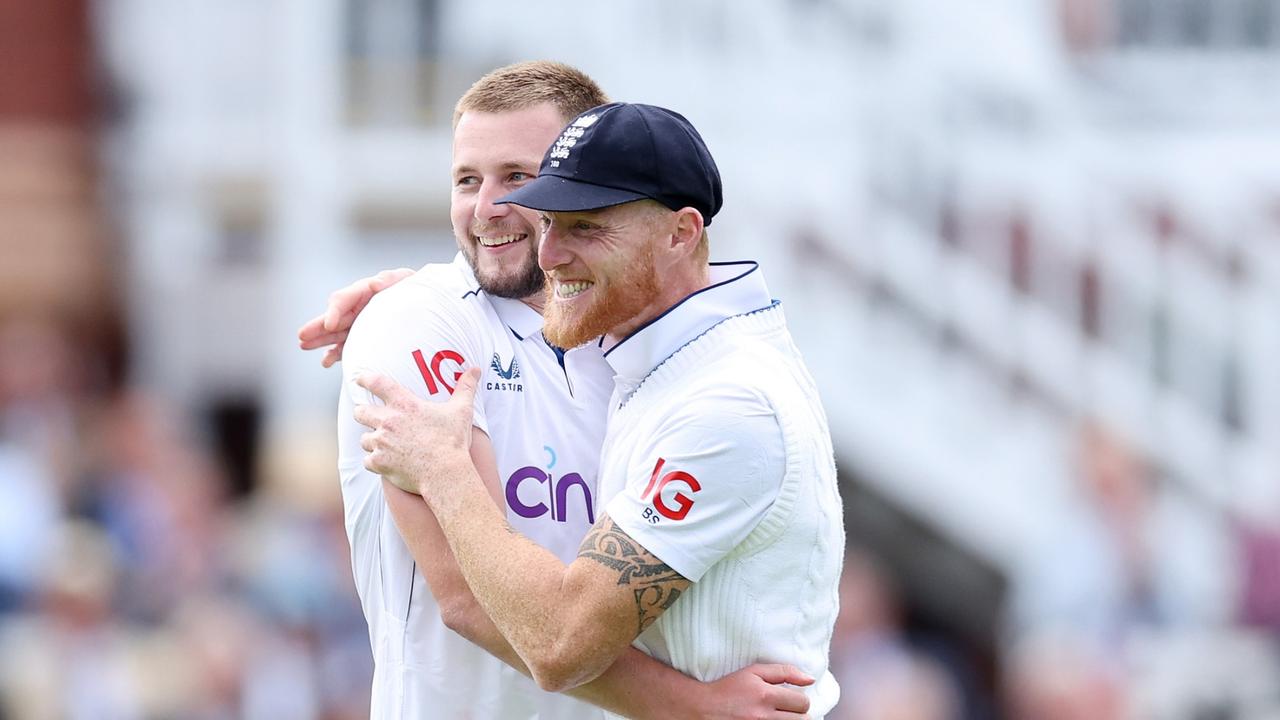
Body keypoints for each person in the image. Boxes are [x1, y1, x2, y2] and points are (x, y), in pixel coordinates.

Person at [307, 62, 815, 719]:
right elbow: (466, 596)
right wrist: (693, 708)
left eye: (517, 177)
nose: (487, 207)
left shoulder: (636, 350)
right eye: (467, 180)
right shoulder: (416, 321)